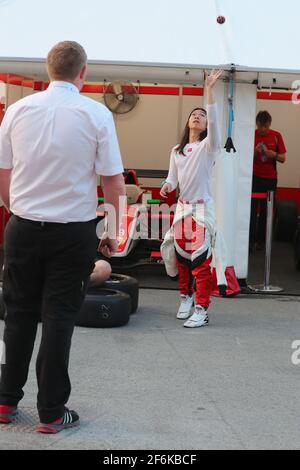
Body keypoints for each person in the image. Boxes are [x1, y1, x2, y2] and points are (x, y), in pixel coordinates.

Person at [0, 41, 126, 433]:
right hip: (72, 232)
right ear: (83, 72)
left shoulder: (17, 111)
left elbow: (3, 175)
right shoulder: (97, 114)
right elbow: (113, 183)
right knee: (59, 317)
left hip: (21, 227)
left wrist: (17, 210)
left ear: (47, 69)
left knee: (18, 314)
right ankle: (52, 412)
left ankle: (5, 401)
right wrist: (111, 232)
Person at [160, 70, 225, 328]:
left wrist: (209, 88)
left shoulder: (209, 146)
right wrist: (166, 186)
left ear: (207, 125)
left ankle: (202, 308)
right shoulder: (177, 150)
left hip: (202, 210)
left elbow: (216, 121)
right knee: (181, 257)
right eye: (194, 114)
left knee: (200, 260)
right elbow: (172, 178)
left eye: (203, 116)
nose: (198, 116)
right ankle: (185, 297)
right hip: (183, 210)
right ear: (188, 122)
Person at [250, 111, 287, 250]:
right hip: (253, 178)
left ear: (270, 124)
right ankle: (249, 241)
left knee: (267, 212)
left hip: (270, 179)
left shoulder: (276, 136)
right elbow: (241, 158)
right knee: (251, 211)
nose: (263, 130)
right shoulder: (251, 134)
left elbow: (283, 158)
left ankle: (262, 242)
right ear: (257, 124)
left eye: (265, 126)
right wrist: (254, 152)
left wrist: (274, 154)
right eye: (260, 126)